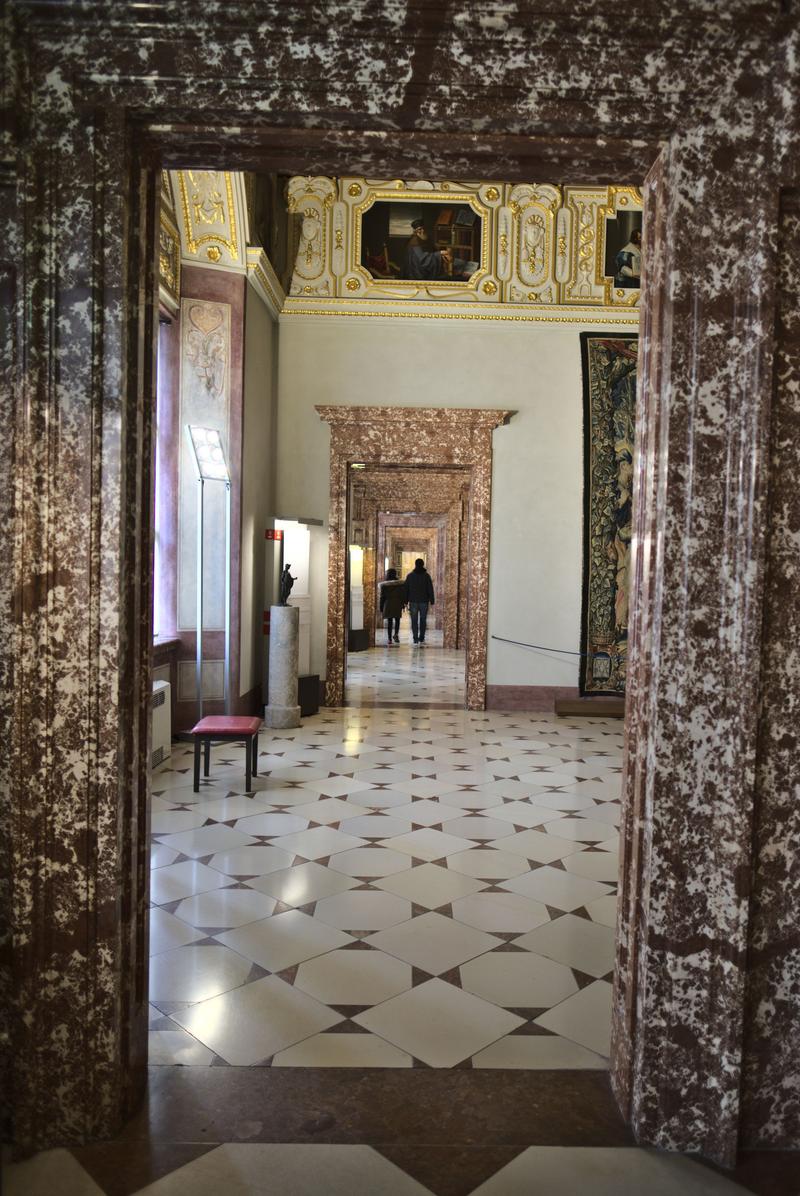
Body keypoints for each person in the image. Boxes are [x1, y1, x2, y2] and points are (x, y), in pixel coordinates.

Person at [403, 558, 435, 645]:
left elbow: (406, 589)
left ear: (415, 564)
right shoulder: (426, 576)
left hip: (413, 601)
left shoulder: (410, 576)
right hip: (424, 601)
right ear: (423, 564)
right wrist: (432, 600)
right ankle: (422, 637)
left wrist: (405, 601)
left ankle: (415, 638)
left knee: (414, 620)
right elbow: (430, 588)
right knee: (423, 619)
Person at [379, 567, 406, 645]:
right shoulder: (399, 584)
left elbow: (382, 596)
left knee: (389, 621)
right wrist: (403, 603)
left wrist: (381, 606)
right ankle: (396, 634)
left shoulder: (384, 584)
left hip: (388, 603)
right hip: (397, 603)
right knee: (397, 620)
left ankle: (389, 638)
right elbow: (402, 594)